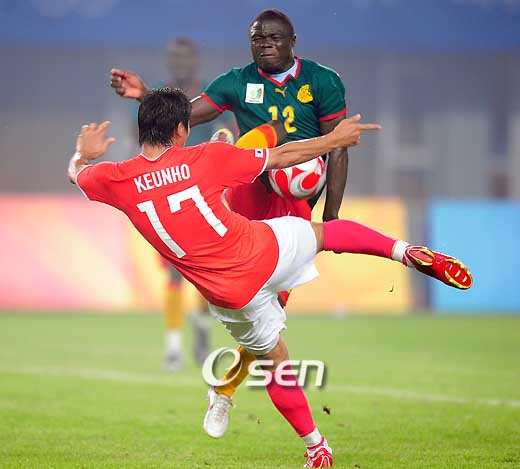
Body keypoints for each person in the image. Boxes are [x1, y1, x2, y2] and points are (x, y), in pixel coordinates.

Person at [67, 88, 472, 468]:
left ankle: (316, 447)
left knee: (276, 362)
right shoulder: (207, 157)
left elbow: (76, 174)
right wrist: (334, 140)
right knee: (326, 235)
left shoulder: (113, 179)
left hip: (231, 295)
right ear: (180, 130)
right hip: (264, 249)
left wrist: (84, 154)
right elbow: (281, 156)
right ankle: (404, 252)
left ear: (142, 130)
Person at [110, 8, 354, 435]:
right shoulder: (236, 82)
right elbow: (183, 116)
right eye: (258, 38)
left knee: (270, 316)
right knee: (249, 307)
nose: (266, 44)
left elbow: (338, 147)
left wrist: (331, 217)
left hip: (295, 203)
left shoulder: (323, 81)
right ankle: (207, 363)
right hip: (248, 196)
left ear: (292, 41)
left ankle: (223, 390)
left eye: (274, 38)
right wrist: (145, 95)